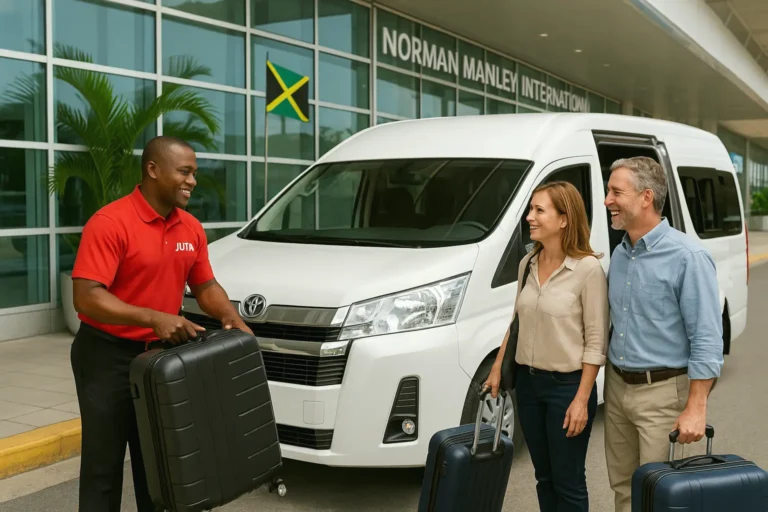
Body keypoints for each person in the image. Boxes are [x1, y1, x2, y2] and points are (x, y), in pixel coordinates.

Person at [70, 135, 253, 512]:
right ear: (153, 170)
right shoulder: (110, 223)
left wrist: (229, 315)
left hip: (160, 362)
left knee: (159, 468)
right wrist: (152, 317)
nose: (192, 181)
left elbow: (205, 286)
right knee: (103, 467)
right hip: (106, 356)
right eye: (184, 172)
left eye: (195, 173)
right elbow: (87, 295)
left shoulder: (190, 228)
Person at [603, 156, 723, 512]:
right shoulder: (620, 253)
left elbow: (706, 338)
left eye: (615, 191)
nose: (607, 199)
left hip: (663, 393)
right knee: (624, 489)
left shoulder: (688, 256)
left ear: (646, 197)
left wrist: (696, 408)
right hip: (617, 388)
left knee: (660, 495)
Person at [485, 181, 609, 512]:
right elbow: (516, 321)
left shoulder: (588, 269)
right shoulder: (528, 263)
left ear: (565, 219)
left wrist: (582, 400)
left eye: (540, 210)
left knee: (568, 482)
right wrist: (498, 367)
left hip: (566, 388)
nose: (530, 217)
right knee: (544, 478)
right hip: (528, 385)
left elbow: (596, 341)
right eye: (531, 210)